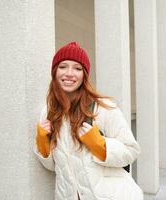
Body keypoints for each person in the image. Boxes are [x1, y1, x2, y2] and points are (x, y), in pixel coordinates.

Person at [33, 41, 143, 200]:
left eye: (77, 68)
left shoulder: (102, 108)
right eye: (63, 66)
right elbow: (52, 167)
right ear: (54, 72)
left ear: (84, 75)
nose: (69, 73)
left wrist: (100, 145)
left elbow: (131, 151)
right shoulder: (48, 112)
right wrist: (43, 143)